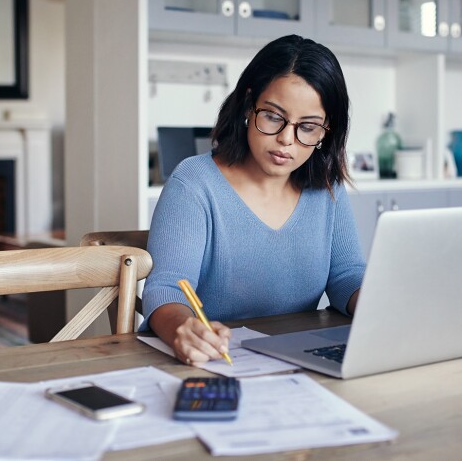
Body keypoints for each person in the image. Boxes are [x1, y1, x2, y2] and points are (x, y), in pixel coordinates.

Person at [141, 35, 366, 366]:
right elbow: (167, 288)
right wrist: (182, 329)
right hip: (215, 363)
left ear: (326, 131)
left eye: (308, 127)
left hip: (300, 362)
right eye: (274, 117)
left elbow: (346, 276)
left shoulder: (326, 187)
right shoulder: (194, 184)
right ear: (249, 105)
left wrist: (383, 306)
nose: (286, 140)